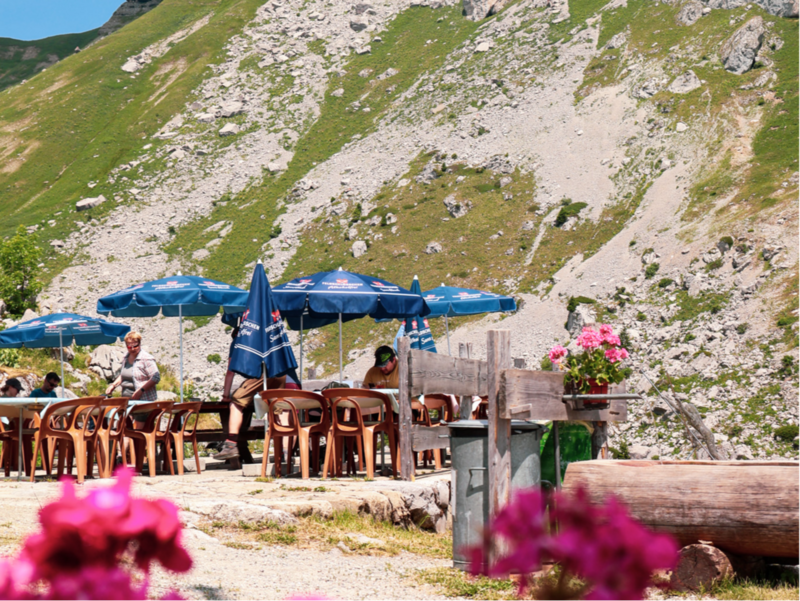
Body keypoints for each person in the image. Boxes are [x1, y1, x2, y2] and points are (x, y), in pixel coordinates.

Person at [214, 324, 295, 461]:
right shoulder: (267, 334)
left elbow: (230, 372)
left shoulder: (240, 339)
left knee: (236, 402)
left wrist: (226, 396)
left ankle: (231, 445)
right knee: (280, 408)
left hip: (263, 371)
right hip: (280, 371)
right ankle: (286, 453)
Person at [105, 332, 160, 401]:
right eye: (129, 347)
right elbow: (124, 375)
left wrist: (141, 390)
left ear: (139, 344)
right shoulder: (125, 357)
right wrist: (113, 385)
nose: (132, 349)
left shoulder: (146, 358)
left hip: (143, 400)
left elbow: (155, 377)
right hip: (126, 399)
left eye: (135, 346)